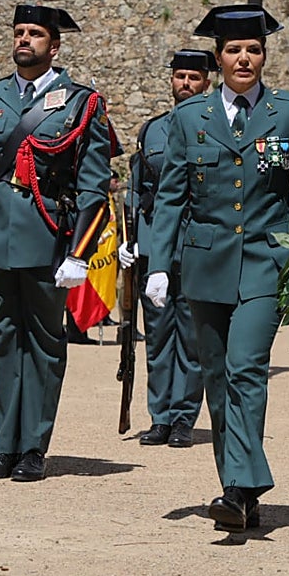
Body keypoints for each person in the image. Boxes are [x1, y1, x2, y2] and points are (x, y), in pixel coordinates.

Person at [147, 5, 289, 532]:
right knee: (217, 379)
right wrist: (158, 265)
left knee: (246, 368)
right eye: (235, 50)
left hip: (266, 261)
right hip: (203, 264)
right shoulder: (188, 117)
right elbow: (170, 196)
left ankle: (240, 487)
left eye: (254, 50)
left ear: (264, 56)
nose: (245, 58)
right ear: (218, 59)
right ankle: (236, 492)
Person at [0, 3, 113, 483]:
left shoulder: (81, 102)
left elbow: (92, 186)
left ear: (54, 45)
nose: (25, 40)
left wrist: (79, 253)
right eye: (19, 32)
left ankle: (33, 447)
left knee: (43, 342)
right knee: (0, 339)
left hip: (46, 237)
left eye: (35, 34)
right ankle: (4, 445)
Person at [119, 48, 215, 447]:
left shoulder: (218, 125)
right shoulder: (152, 131)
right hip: (156, 245)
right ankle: (159, 416)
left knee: (193, 339)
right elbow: (137, 190)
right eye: (180, 77)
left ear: (206, 82)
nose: (186, 84)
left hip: (196, 245)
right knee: (157, 336)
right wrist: (130, 239)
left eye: (194, 77)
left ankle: (183, 418)